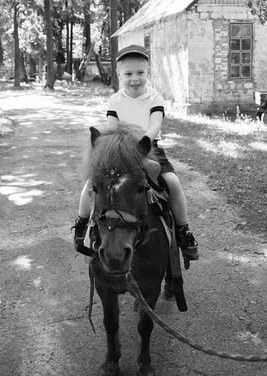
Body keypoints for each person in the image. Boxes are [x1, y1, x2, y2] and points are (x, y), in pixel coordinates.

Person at [72, 44, 199, 260]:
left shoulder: (154, 98)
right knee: (91, 186)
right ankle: (82, 223)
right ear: (119, 74)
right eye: (128, 74)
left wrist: (143, 142)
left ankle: (183, 230)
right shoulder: (115, 100)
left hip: (148, 148)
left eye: (141, 73)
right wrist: (99, 136)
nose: (135, 79)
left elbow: (155, 124)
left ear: (148, 72)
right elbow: (112, 126)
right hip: (120, 151)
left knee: (173, 183)